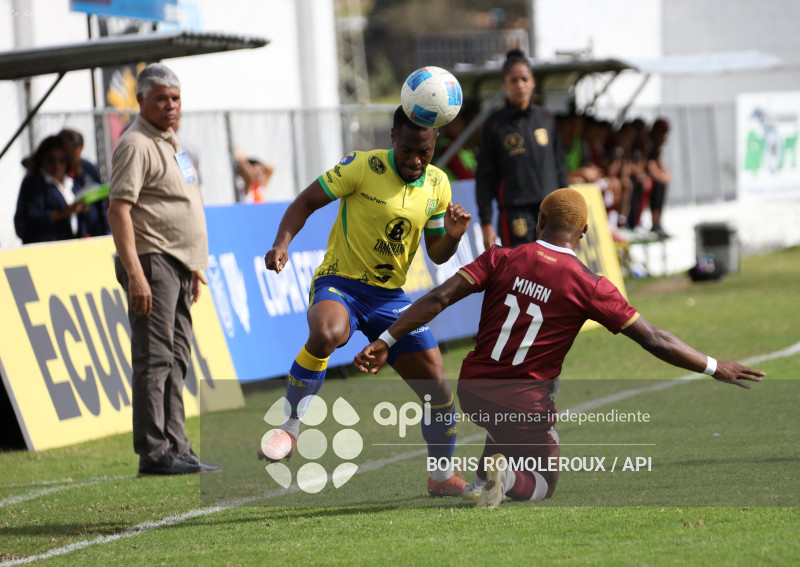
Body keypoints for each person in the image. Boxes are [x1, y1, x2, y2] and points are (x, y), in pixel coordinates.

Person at [354, 187, 764, 508]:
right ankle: (505, 478)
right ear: (583, 234)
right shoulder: (590, 286)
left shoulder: (500, 257)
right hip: (524, 403)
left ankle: (481, 482)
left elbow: (438, 297)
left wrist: (386, 339)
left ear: (540, 222)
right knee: (544, 484)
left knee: (501, 418)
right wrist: (715, 366)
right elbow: (655, 339)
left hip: (474, 390)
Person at [260, 106, 473, 497]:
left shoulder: (438, 184)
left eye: (424, 152)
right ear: (392, 138)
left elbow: (437, 253)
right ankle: (289, 427)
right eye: (407, 150)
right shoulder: (361, 166)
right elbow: (305, 202)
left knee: (439, 390)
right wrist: (281, 244)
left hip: (390, 298)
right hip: (340, 283)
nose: (415, 160)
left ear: (435, 144)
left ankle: (442, 477)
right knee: (328, 332)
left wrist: (454, 235)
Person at [107, 63, 220, 477]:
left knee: (176, 358)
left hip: (179, 263)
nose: (170, 106)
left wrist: (194, 264)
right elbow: (119, 210)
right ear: (141, 101)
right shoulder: (135, 144)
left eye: (175, 98)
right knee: (154, 360)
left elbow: (181, 203)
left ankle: (177, 446)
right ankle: (154, 453)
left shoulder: (172, 143)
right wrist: (136, 274)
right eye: (161, 99)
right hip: (152, 261)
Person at [475, 48, 568, 250]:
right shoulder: (495, 125)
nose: (520, 85)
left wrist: (567, 209)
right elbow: (484, 177)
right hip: (515, 213)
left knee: (552, 267)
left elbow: (560, 167)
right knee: (520, 268)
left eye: (524, 79)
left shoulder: (547, 120)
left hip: (550, 212)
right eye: (514, 80)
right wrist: (486, 223)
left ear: (532, 81)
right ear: (505, 84)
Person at [14, 135, 91, 244]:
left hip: (70, 244)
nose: (57, 166)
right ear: (42, 158)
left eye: (62, 160)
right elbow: (35, 217)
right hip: (43, 246)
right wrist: (67, 211)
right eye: (51, 160)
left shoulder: (71, 181)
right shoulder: (34, 181)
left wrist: (82, 208)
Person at [58, 128, 111, 237]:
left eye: (77, 155)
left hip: (95, 233)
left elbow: (102, 202)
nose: (75, 160)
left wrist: (107, 230)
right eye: (72, 155)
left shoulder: (87, 168)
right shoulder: (55, 173)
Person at [646, 118, 673, 238]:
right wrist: (663, 176)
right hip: (643, 180)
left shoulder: (656, 147)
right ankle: (655, 223)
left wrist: (665, 175)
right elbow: (651, 167)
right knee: (658, 184)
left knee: (661, 183)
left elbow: (661, 166)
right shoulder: (649, 144)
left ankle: (657, 224)